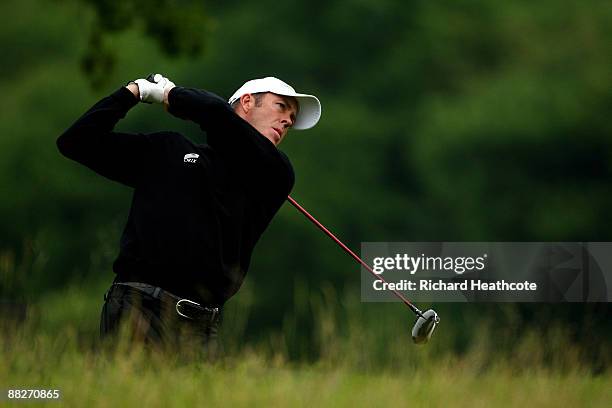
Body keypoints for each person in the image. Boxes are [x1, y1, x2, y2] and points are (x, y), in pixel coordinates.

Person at [56, 74, 321, 355]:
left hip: (201, 327)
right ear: (246, 102)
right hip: (137, 308)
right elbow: (76, 141)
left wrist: (172, 95)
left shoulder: (275, 174)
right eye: (281, 107)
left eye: (292, 118)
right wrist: (131, 93)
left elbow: (215, 114)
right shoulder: (168, 150)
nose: (288, 120)